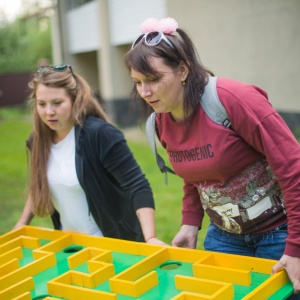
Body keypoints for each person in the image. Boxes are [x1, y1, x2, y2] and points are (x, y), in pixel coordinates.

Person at [124, 17, 300, 296]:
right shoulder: (160, 120)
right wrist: (190, 222)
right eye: (137, 82)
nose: (144, 92)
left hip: (280, 234)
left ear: (182, 70)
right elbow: (193, 175)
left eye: (154, 80)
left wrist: (296, 246)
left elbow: (293, 167)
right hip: (224, 238)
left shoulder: (234, 99)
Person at [14, 63, 166, 246]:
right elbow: (39, 184)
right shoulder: (38, 140)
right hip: (71, 246)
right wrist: (22, 224)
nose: (49, 112)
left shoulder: (100, 134)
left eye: (57, 103)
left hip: (113, 245)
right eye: (42, 104)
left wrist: (150, 238)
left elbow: (137, 186)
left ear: (74, 100)